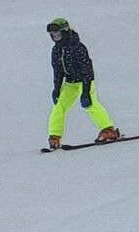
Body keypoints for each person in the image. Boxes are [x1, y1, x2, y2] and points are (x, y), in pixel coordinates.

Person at [46, 17, 121, 148]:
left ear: (64, 32)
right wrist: (56, 88)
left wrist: (86, 91)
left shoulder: (78, 48)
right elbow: (58, 71)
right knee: (59, 106)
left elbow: (87, 70)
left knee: (90, 104)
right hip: (70, 83)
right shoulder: (56, 50)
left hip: (85, 81)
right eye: (53, 35)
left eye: (58, 34)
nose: (55, 38)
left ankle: (108, 130)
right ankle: (54, 136)